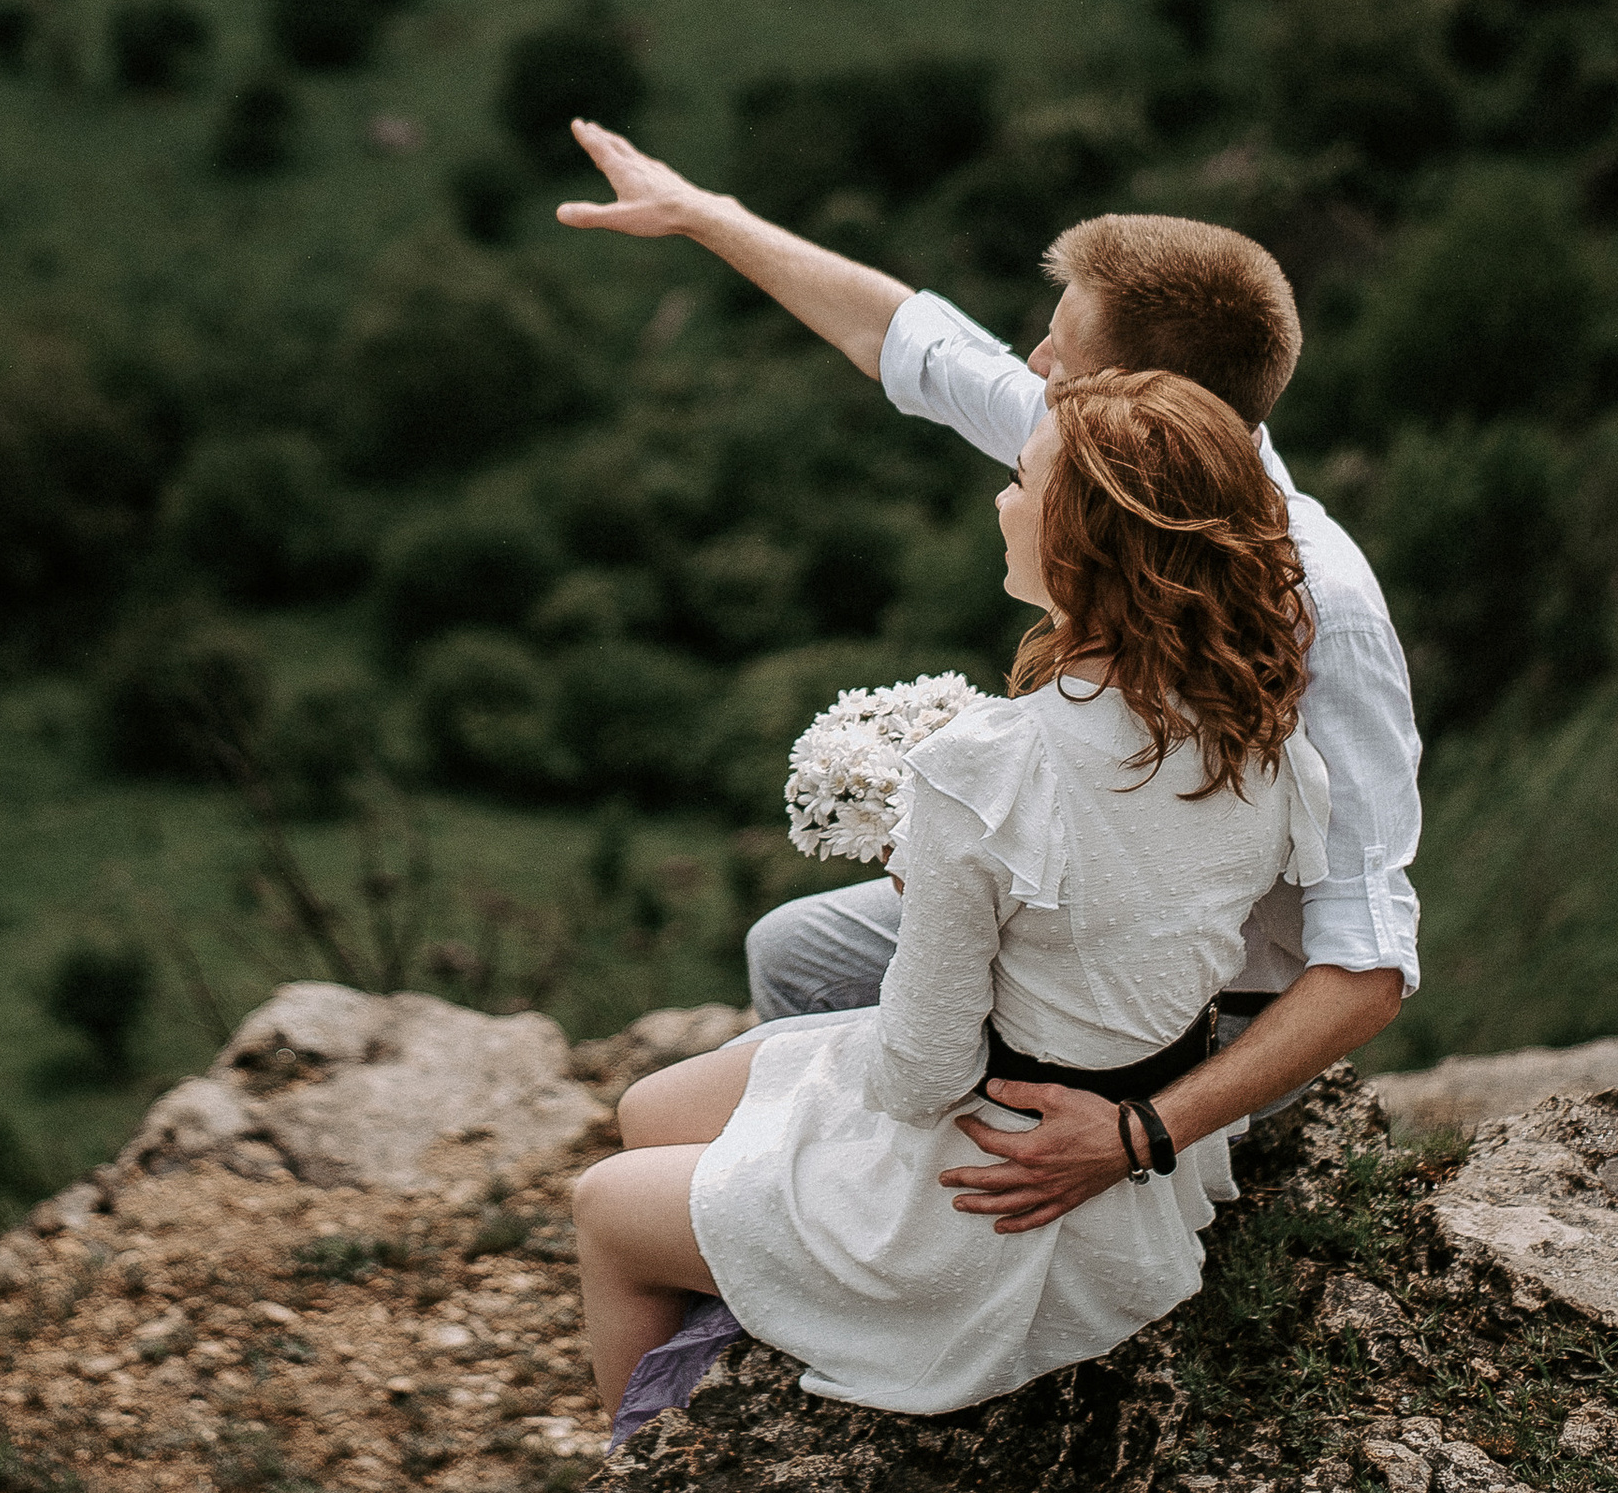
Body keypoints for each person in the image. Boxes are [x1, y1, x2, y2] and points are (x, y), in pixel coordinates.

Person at [556, 125, 1418, 1240]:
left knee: (763, 1070)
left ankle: (878, 1238)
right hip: (1081, 909)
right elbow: (909, 341)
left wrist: (1142, 1133)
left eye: (1059, 351)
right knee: (797, 950)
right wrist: (703, 213)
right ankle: (853, 1202)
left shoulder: (1323, 606)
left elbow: (1366, 964)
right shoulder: (1117, 461)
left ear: (1135, 400)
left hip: (1205, 1003)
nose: (1031, 366)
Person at [571, 369, 1332, 1416]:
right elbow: (1135, 921)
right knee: (649, 1105)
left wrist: (935, 886)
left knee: (606, 1205)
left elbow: (922, 1076)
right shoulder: (1268, 744)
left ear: (1083, 541)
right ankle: (736, 1282)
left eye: (1022, 483)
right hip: (1128, 1146)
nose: (1000, 501)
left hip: (991, 1194)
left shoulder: (987, 766)